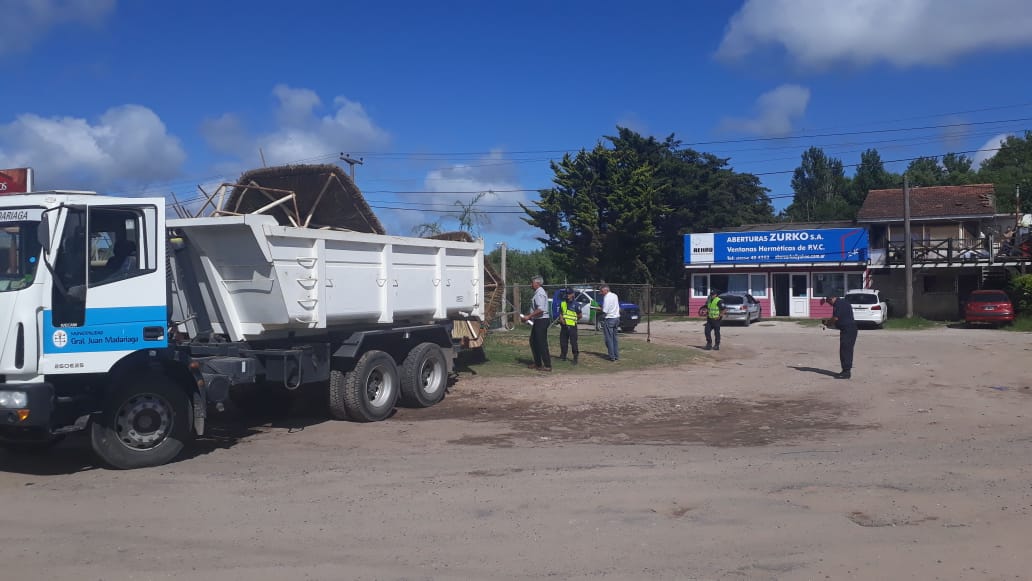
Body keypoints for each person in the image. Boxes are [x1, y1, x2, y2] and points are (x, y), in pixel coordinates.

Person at [821, 295, 858, 379]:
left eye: (828, 301)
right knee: (846, 349)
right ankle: (845, 370)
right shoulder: (844, 302)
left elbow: (835, 318)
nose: (829, 304)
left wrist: (827, 323)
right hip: (849, 329)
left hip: (848, 330)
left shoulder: (838, 304)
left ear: (832, 298)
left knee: (845, 350)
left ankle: (846, 372)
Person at [520, 276, 552, 371]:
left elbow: (540, 309)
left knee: (541, 342)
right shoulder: (537, 292)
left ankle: (547, 365)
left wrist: (529, 316)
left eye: (532, 282)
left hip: (542, 320)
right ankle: (538, 363)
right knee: (533, 341)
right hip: (538, 320)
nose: (531, 284)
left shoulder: (540, 293)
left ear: (537, 283)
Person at [558, 289, 581, 364]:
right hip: (564, 326)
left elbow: (580, 315)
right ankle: (563, 355)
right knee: (563, 342)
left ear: (572, 294)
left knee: (573, 342)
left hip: (572, 326)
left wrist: (574, 320)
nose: (567, 295)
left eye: (569, 293)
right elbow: (561, 313)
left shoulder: (576, 304)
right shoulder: (563, 303)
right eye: (566, 293)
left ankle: (575, 357)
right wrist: (561, 319)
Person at [599, 285, 620, 361]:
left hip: (610, 319)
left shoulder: (606, 298)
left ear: (605, 290)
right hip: (616, 318)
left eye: (601, 291)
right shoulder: (615, 295)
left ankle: (612, 356)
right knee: (615, 338)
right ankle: (616, 355)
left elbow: (605, 310)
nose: (601, 293)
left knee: (609, 339)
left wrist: (598, 308)